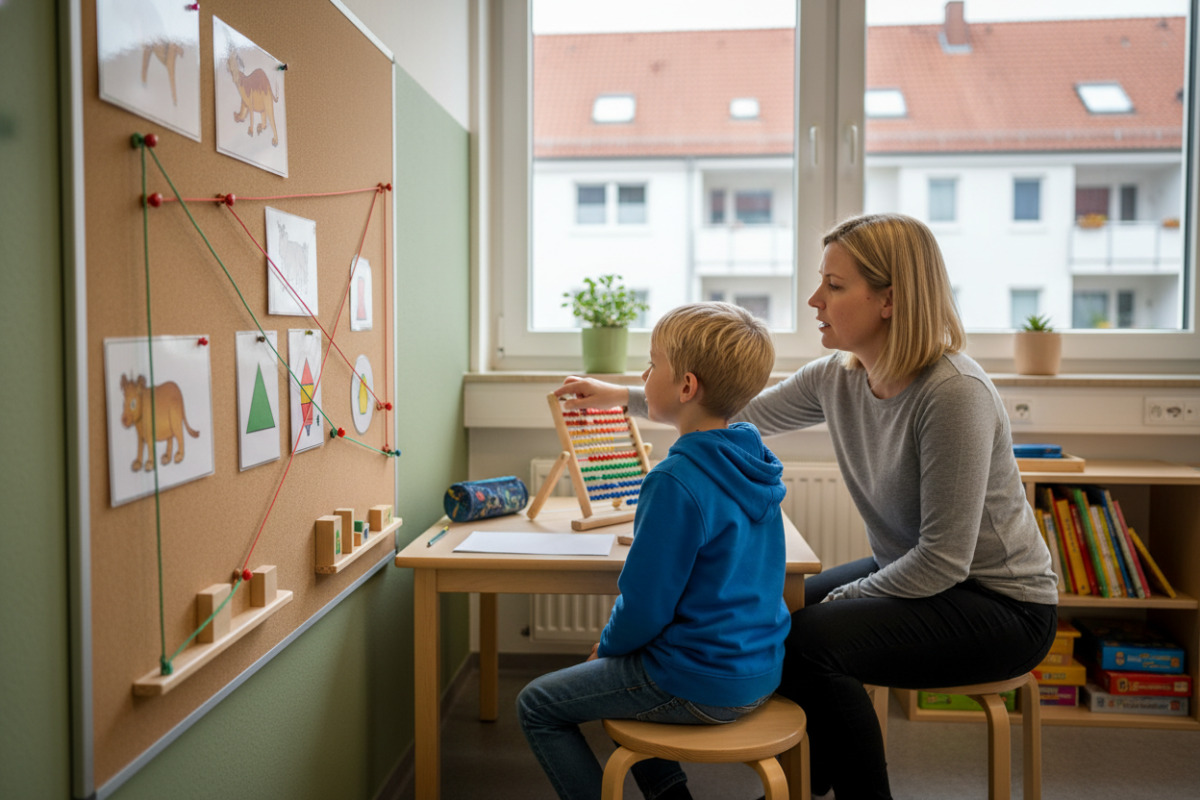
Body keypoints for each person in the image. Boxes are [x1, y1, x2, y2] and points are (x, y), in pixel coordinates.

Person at [554, 213, 1059, 800]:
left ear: (889, 300)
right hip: (922, 577)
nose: (815, 300)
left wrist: (839, 602)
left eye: (835, 286)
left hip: (1001, 603)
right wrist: (625, 397)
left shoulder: (953, 394)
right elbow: (727, 410)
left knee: (807, 639)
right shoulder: (838, 377)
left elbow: (944, 561)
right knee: (776, 617)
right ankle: (812, 778)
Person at [517, 302, 791, 800]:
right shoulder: (753, 460)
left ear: (686, 387)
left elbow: (645, 604)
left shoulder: (675, 479)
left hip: (699, 680)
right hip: (760, 668)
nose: (642, 376)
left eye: (651, 364)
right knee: (627, 670)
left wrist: (608, 647)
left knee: (537, 703)